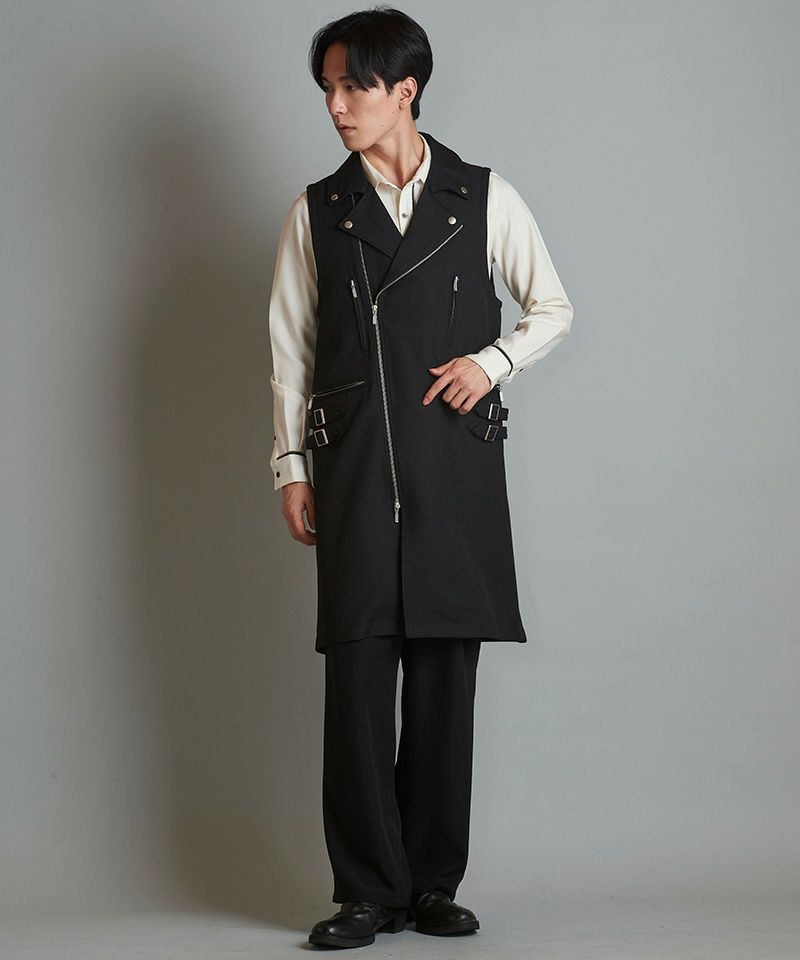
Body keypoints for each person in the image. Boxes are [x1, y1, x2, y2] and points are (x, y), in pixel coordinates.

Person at [268, 6, 573, 949]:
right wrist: (289, 465)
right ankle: (366, 893)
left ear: (404, 91)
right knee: (359, 683)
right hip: (356, 469)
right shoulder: (318, 211)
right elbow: (289, 352)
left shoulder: (482, 196)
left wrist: (492, 361)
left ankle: (433, 885)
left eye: (353, 86)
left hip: (452, 469)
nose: (335, 105)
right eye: (327, 87)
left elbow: (552, 307)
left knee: (445, 684)